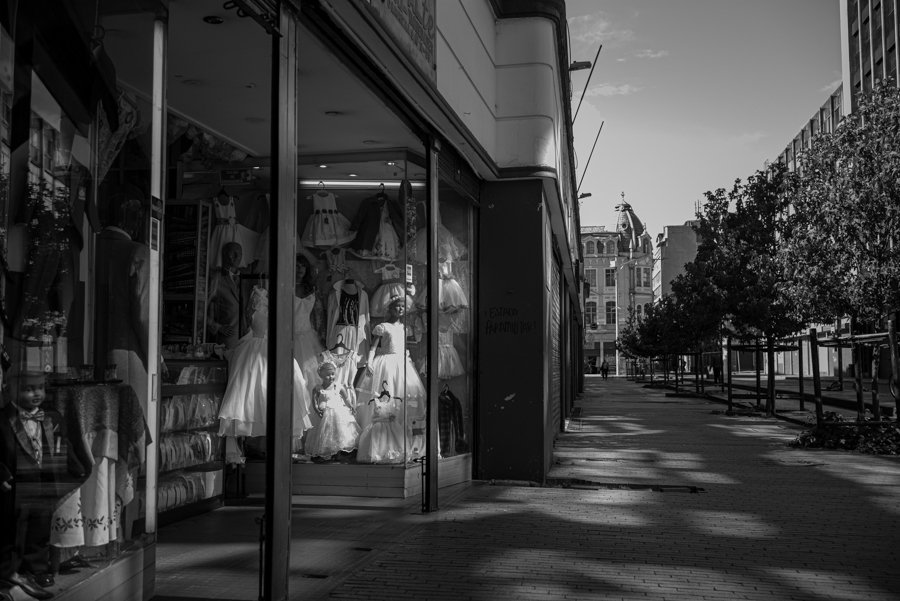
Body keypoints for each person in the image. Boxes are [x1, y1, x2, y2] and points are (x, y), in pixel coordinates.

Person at [0, 370, 89, 600]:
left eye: (39, 388)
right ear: (10, 390)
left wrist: (73, 467)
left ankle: (36, 570)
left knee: (40, 528)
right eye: (28, 389)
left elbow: (62, 444)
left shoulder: (51, 417)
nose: (36, 393)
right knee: (13, 530)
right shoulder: (2, 419)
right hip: (16, 485)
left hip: (43, 482)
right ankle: (10, 572)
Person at [94, 190, 150, 409]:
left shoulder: (92, 247)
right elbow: (143, 316)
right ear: (134, 221)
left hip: (91, 351)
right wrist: (156, 358)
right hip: (128, 353)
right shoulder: (137, 253)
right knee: (130, 425)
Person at [303, 361, 360, 461]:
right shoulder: (317, 388)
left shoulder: (338, 386)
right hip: (324, 415)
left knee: (340, 432)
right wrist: (317, 410)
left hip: (338, 413)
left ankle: (339, 451)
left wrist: (351, 406)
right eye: (327, 375)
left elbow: (346, 398)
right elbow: (314, 402)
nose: (331, 377)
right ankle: (327, 452)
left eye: (333, 374)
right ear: (321, 375)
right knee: (325, 434)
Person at [207, 242, 243, 351]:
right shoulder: (217, 279)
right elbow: (202, 309)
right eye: (233, 253)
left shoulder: (246, 279)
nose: (237, 256)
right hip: (227, 341)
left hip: (247, 340)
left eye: (240, 253)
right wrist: (217, 327)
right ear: (224, 254)